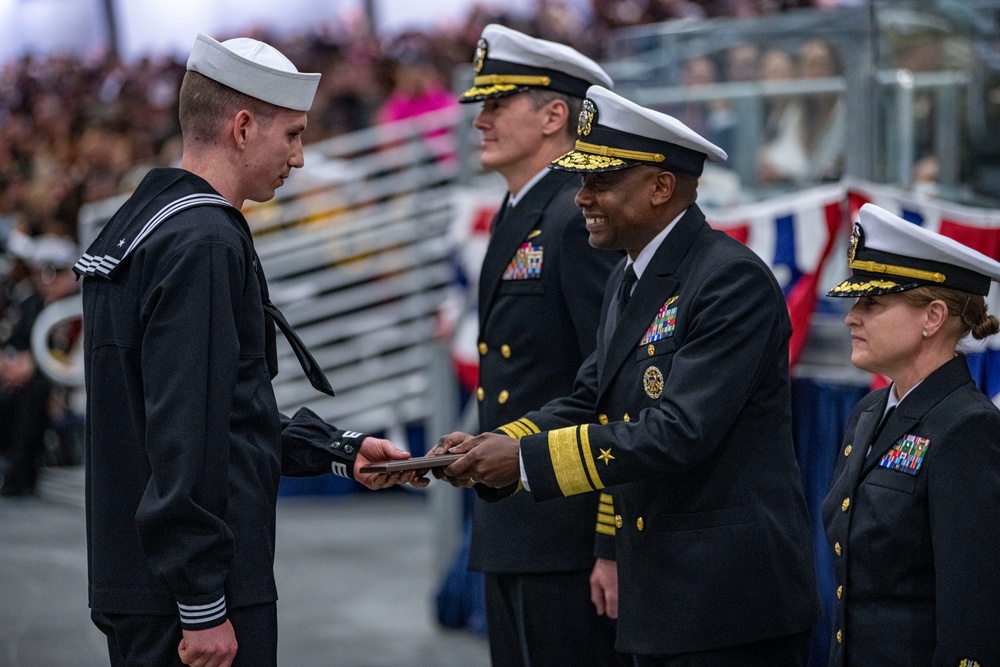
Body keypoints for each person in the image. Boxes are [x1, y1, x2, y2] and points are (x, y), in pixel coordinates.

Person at [434, 85, 820, 664]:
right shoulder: (630, 278)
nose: (583, 197)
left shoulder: (728, 279)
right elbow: (589, 398)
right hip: (665, 591)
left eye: (600, 182)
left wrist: (526, 462)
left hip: (728, 602)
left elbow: (679, 431)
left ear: (661, 188)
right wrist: (498, 442)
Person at [73, 34, 422, 667]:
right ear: (241, 127)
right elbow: (185, 431)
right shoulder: (204, 241)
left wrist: (337, 451)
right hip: (196, 601)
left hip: (144, 584)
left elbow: (213, 413)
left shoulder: (146, 221)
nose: (300, 157)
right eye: (291, 135)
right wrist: (203, 603)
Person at [456, 24, 625, 667]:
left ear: (556, 114)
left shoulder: (573, 216)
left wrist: (607, 541)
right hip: (517, 518)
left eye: (498, 104)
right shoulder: (521, 209)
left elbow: (609, 378)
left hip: (563, 525)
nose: (482, 121)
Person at [823, 203, 1000, 666]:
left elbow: (973, 612)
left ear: (933, 317)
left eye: (872, 303)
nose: (850, 318)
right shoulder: (868, 412)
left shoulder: (967, 427)